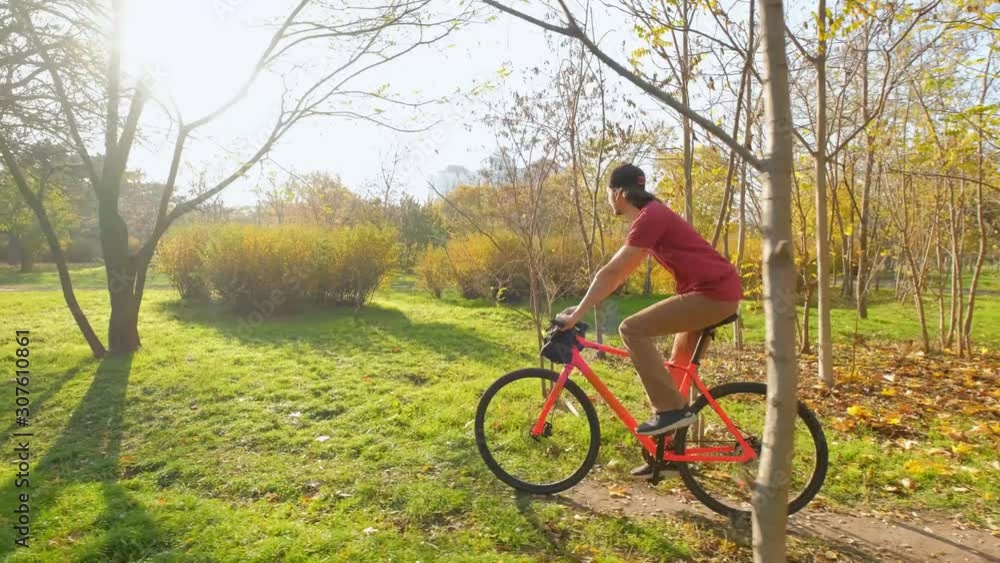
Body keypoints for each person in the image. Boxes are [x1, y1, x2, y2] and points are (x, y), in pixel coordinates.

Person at [555, 163, 742, 477]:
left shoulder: (650, 217)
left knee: (632, 328)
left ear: (619, 193)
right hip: (714, 292)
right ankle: (668, 456)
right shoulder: (653, 215)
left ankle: (670, 412)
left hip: (713, 294)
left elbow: (613, 273)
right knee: (675, 372)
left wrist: (578, 312)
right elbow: (615, 274)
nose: (608, 199)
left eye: (608, 193)